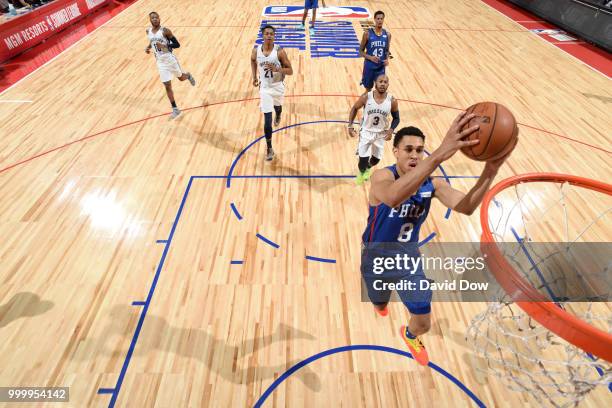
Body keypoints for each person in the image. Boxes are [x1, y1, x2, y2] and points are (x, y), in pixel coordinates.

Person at [360, 112, 517, 365]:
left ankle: (410, 335)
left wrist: (490, 171)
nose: (414, 155)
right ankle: (381, 303)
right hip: (375, 257)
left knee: (423, 322)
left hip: (408, 260)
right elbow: (392, 197)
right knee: (379, 302)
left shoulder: (432, 183)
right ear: (395, 152)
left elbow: (465, 206)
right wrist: (438, 155)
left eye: (420, 150)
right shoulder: (382, 177)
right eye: (408, 149)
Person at [251, 24, 293, 161]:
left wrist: (277, 69)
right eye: (267, 33)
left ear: (274, 36)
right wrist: (254, 77)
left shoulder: (279, 52)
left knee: (278, 108)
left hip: (277, 86)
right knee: (267, 119)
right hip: (265, 89)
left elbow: (290, 71)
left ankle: (279, 114)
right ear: (262, 35)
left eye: (272, 34)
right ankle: (269, 148)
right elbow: (252, 61)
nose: (269, 35)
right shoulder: (255, 51)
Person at [347, 74, 399, 185]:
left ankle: (368, 168)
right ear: (376, 82)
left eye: (385, 82)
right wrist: (350, 126)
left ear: (388, 85)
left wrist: (391, 130)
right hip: (366, 131)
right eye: (380, 81)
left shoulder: (392, 101)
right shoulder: (367, 97)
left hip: (381, 134)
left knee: (376, 160)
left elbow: (397, 118)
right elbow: (355, 108)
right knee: (362, 161)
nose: (383, 84)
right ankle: (361, 172)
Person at [145, 11, 195, 119]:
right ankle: (175, 109)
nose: (155, 19)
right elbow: (152, 41)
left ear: (159, 18)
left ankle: (188, 76)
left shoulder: (165, 31)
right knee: (167, 85)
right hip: (160, 62)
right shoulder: (148, 31)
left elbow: (177, 44)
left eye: (156, 17)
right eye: (152, 18)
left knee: (181, 78)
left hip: (170, 60)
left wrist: (164, 46)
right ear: (150, 20)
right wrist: (148, 47)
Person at [359, 10, 391, 92]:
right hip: (369, 66)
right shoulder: (367, 34)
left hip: (380, 67)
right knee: (368, 91)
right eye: (378, 18)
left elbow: (387, 50)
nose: (380, 20)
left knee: (380, 91)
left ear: (383, 19)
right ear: (374, 19)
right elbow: (360, 51)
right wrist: (370, 57)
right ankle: (365, 105)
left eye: (381, 18)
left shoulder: (387, 34)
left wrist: (387, 59)